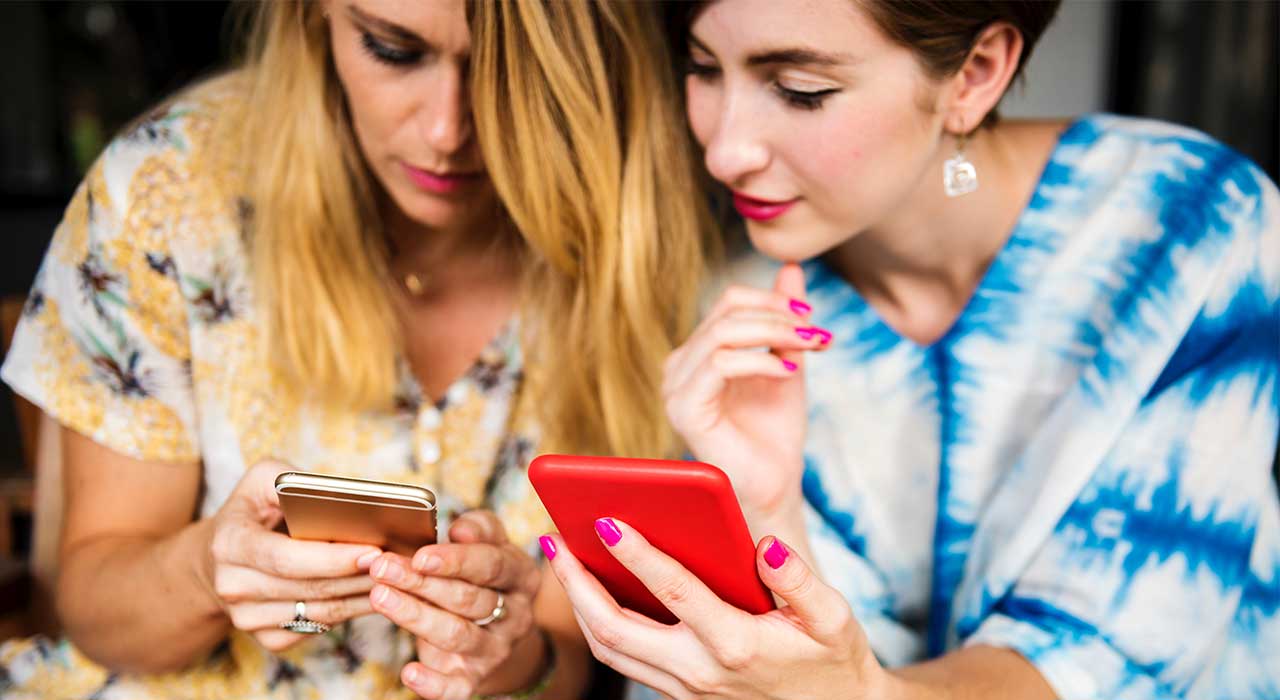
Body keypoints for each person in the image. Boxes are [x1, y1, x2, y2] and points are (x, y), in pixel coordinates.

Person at [539, 1, 1280, 698]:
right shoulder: (719, 295)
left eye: (801, 90)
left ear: (976, 72)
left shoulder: (1188, 223)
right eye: (703, 69)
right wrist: (770, 517)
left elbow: (1104, 655)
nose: (725, 151)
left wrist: (861, 690)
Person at [0, 1, 709, 698]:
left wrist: (504, 653)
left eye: (507, 70)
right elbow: (91, 615)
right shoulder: (173, 189)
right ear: (312, 18)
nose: (446, 128)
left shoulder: (631, 241)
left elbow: (566, 664)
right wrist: (205, 572)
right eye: (394, 51)